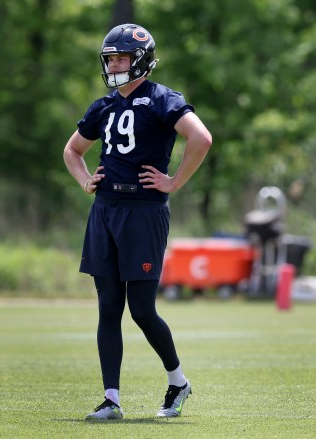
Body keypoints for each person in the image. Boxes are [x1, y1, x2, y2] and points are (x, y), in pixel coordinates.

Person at [63, 23, 212, 420]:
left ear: (141, 60)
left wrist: (174, 182)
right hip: (106, 211)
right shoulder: (104, 105)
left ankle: (178, 382)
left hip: (143, 212)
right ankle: (111, 399)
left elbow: (201, 138)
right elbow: (72, 151)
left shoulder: (163, 99)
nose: (113, 65)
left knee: (142, 309)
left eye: (121, 58)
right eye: (110, 59)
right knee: (108, 307)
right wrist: (85, 182)